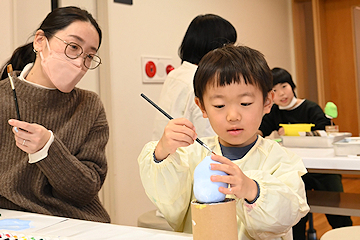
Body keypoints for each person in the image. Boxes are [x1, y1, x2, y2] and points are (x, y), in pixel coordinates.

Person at [138, 45, 309, 239]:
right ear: (202, 106)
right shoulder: (192, 154)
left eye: (245, 103)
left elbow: (289, 213)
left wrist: (252, 189)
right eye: (219, 105)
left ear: (267, 102)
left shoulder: (281, 160)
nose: (233, 116)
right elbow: (168, 201)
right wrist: (162, 153)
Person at [0, 6, 110, 223]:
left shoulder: (90, 105)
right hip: (14, 223)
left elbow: (86, 191)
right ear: (40, 40)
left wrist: (48, 148)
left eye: (89, 56)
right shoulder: (3, 98)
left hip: (78, 223)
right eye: (73, 47)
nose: (80, 63)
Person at [258, 67, 352, 240]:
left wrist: (295, 132)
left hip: (322, 169)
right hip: (295, 168)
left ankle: (345, 233)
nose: (281, 94)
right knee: (294, 211)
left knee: (338, 213)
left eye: (284, 86)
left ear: (292, 85)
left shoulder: (310, 107)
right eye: (274, 91)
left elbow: (325, 130)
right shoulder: (274, 113)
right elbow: (259, 131)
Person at [151, 14, 237, 140]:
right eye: (229, 47)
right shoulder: (201, 80)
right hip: (194, 155)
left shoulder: (175, 74)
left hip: (166, 152)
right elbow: (209, 136)